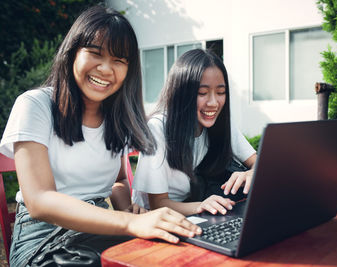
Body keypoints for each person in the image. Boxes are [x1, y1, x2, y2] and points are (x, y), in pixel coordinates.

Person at [0, 5, 201, 266]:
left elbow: (118, 180)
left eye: (119, 60)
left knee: (179, 251)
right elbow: (40, 200)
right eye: (95, 53)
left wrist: (129, 210)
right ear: (72, 53)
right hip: (43, 238)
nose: (106, 69)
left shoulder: (116, 119)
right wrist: (131, 222)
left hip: (100, 232)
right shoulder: (35, 105)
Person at [132, 49, 257, 216]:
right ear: (182, 94)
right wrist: (200, 206)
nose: (213, 103)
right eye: (202, 93)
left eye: (220, 92)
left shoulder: (221, 123)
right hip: (154, 217)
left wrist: (252, 173)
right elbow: (158, 204)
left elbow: (259, 163)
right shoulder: (158, 128)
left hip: (193, 209)